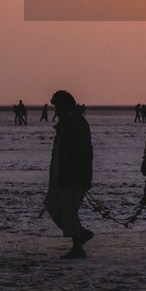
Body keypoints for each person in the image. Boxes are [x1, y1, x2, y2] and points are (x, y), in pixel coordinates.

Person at [46, 90, 94, 259]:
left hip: (71, 177)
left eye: (58, 106)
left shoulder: (75, 124)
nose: (56, 110)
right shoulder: (68, 123)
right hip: (63, 176)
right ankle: (80, 234)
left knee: (66, 210)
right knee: (55, 206)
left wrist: (82, 177)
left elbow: (83, 152)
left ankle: (78, 245)